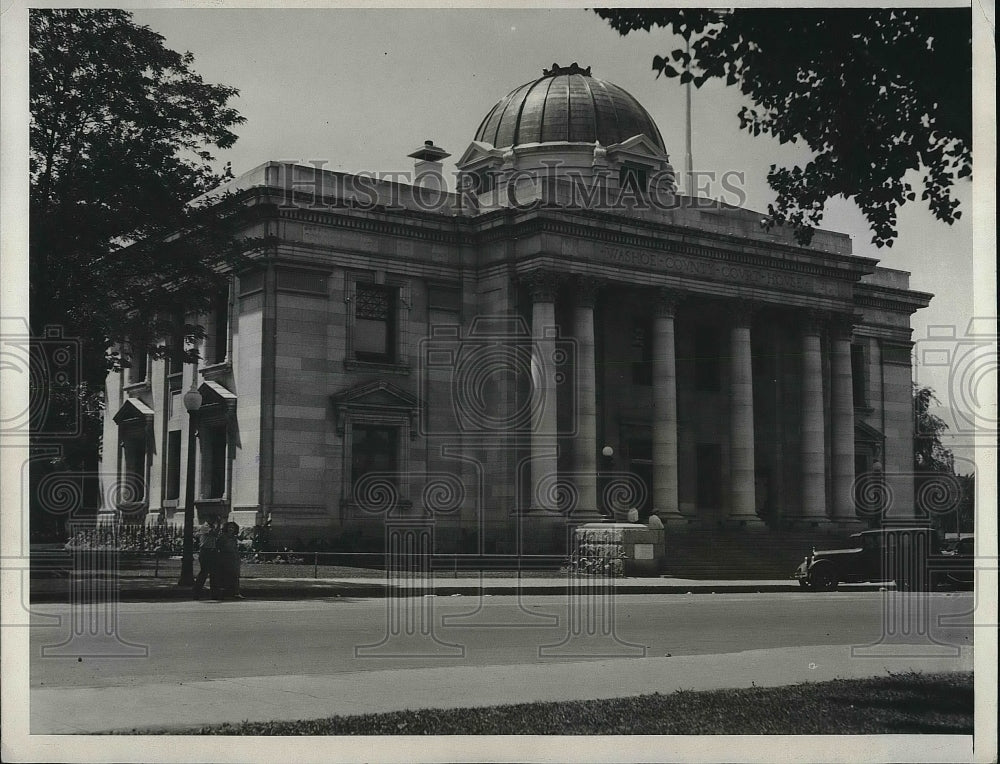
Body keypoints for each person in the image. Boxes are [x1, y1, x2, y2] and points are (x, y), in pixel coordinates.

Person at [192, 518, 220, 599]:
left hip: (212, 551)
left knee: (214, 573)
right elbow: (214, 534)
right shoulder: (205, 527)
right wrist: (218, 524)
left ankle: (214, 594)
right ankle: (197, 592)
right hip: (205, 552)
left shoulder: (212, 527)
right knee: (204, 573)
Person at [216, 521, 244, 599]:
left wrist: (238, 558)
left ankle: (236, 592)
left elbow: (235, 548)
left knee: (235, 576)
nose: (231, 529)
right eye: (229, 527)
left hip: (233, 558)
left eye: (233, 527)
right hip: (224, 557)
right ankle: (222, 593)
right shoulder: (222, 537)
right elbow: (218, 547)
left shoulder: (234, 538)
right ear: (226, 528)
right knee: (224, 576)